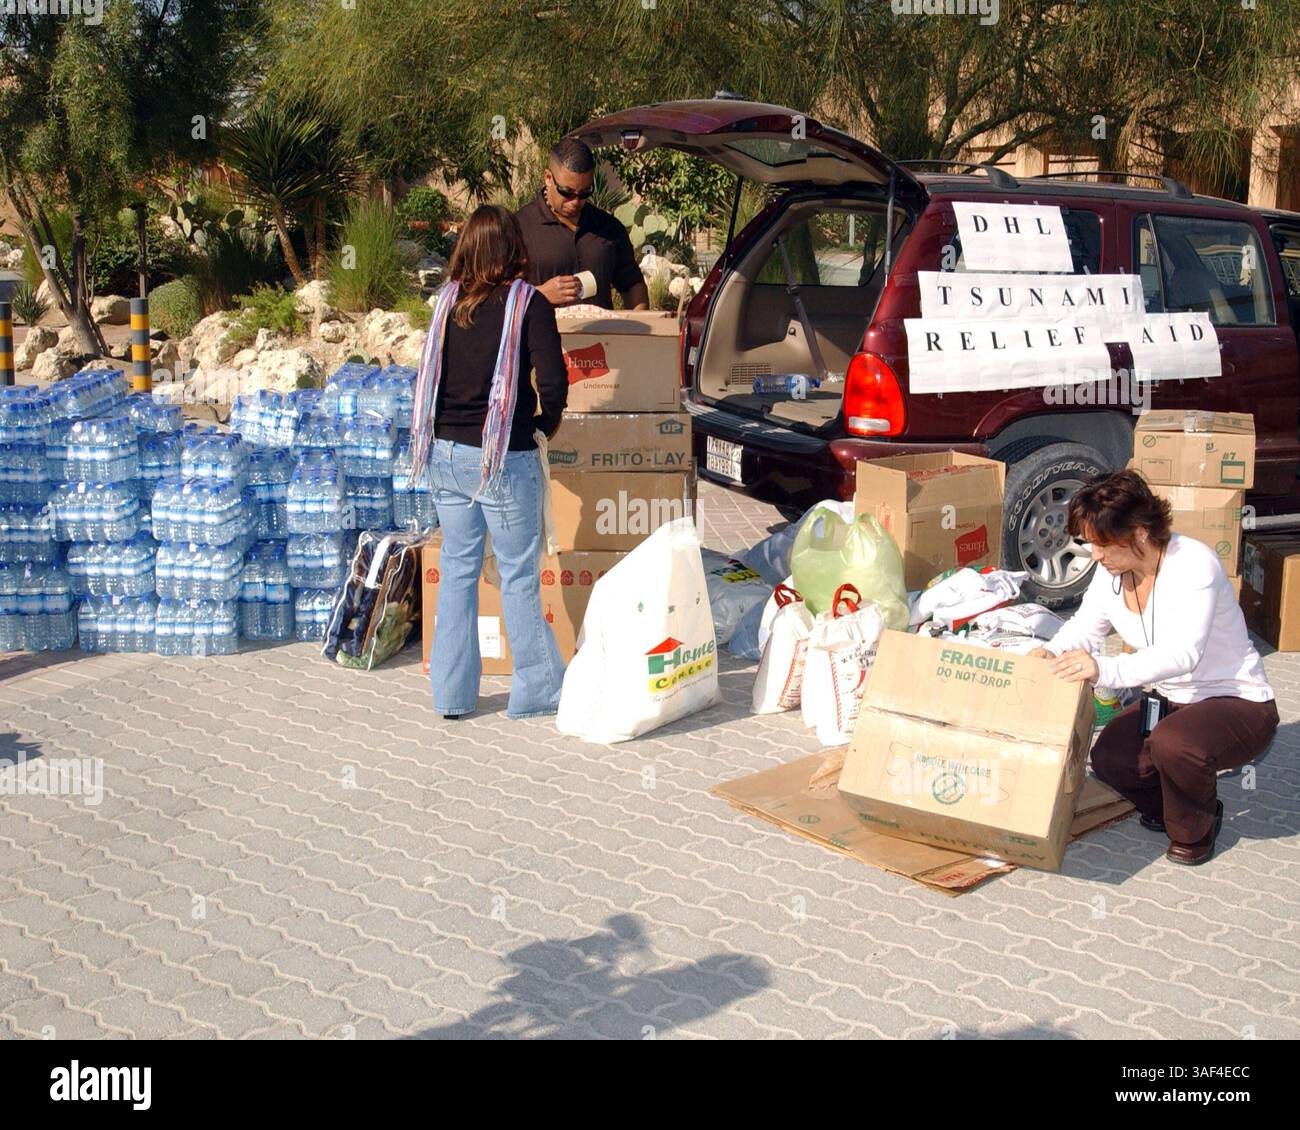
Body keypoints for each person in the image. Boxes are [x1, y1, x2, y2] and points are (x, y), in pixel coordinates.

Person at [1031, 469, 1277, 865]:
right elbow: (1086, 626)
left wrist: (1103, 671)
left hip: (1236, 700)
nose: (1094, 555)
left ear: (1140, 533)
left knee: (1174, 744)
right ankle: (1173, 801)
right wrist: (1050, 652)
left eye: (1102, 544)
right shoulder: (1112, 570)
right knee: (1110, 757)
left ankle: (1197, 828)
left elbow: (1183, 655)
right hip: (1170, 698)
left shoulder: (1195, 564)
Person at [410, 205, 569, 720]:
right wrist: (544, 425)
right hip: (502, 456)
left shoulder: (446, 305)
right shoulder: (529, 305)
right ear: (513, 249)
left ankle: (452, 698)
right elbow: (553, 383)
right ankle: (538, 691)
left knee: (458, 569)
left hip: (445, 455)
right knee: (520, 574)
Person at [515, 138, 649, 311]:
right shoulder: (518, 227)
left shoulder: (609, 228)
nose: (575, 202)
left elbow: (632, 285)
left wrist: (637, 329)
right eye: (567, 192)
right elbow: (495, 296)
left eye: (585, 193)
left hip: (600, 337)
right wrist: (538, 294)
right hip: (542, 336)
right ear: (548, 178)